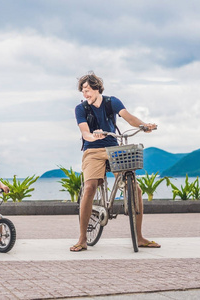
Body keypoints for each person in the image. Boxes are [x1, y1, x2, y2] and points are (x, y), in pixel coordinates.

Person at [71, 72, 161, 252]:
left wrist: (143, 125)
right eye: (83, 91)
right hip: (92, 150)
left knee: (135, 188)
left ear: (97, 88)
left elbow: (128, 117)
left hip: (114, 148)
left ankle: (139, 237)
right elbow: (85, 133)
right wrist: (94, 136)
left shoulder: (112, 102)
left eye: (87, 90)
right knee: (89, 187)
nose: (85, 94)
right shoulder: (81, 109)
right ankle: (82, 239)